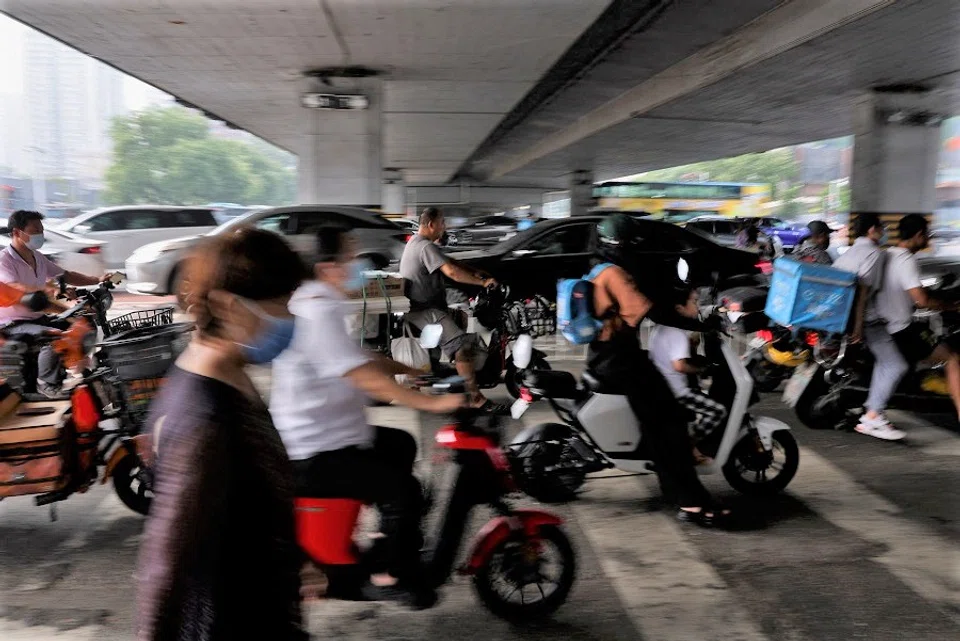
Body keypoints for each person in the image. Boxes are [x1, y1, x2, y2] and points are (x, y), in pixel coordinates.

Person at [271, 226, 463, 608]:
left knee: (401, 444)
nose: (359, 265)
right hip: (313, 453)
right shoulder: (318, 311)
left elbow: (360, 360)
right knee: (403, 491)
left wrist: (410, 370)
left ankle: (384, 538)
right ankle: (387, 576)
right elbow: (364, 378)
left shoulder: (316, 303)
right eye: (351, 256)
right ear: (329, 268)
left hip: (328, 433)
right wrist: (434, 405)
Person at [136, 228, 308, 641]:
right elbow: (167, 562)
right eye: (282, 306)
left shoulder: (216, 373)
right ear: (229, 306)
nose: (290, 319)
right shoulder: (209, 419)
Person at [588, 213, 732, 527]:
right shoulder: (615, 274)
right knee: (671, 424)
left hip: (604, 356)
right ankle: (692, 501)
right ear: (626, 244)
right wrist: (697, 322)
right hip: (621, 360)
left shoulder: (597, 268)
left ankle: (677, 490)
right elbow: (648, 311)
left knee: (660, 424)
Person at [0, 210, 110, 396]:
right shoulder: (4, 260)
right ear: (18, 232)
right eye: (35, 230)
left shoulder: (38, 257)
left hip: (38, 316)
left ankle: (80, 369)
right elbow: (14, 287)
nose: (40, 235)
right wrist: (46, 290)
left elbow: (65, 275)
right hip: (13, 324)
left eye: (41, 230)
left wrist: (97, 279)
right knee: (56, 336)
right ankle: (46, 384)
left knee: (82, 324)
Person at [400, 207, 498, 409]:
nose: (444, 227)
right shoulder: (425, 246)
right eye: (442, 223)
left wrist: (475, 271)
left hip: (423, 309)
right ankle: (475, 397)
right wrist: (482, 284)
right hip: (426, 311)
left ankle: (434, 383)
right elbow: (452, 272)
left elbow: (449, 261)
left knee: (458, 321)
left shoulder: (417, 244)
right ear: (431, 224)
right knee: (461, 346)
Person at [876, 214, 960, 424]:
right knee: (952, 358)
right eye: (927, 235)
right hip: (901, 329)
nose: (928, 239)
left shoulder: (888, 255)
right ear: (918, 235)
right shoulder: (906, 260)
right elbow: (921, 300)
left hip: (884, 325)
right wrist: (950, 306)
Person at [834, 213, 908, 440]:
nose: (884, 231)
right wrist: (859, 326)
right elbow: (863, 293)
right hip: (866, 320)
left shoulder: (849, 252)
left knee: (883, 362)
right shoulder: (873, 253)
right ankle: (873, 417)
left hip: (842, 318)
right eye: (881, 227)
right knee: (895, 365)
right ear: (871, 230)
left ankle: (872, 410)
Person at [649, 287, 728, 465]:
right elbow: (679, 365)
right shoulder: (677, 333)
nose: (697, 306)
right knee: (717, 411)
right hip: (677, 391)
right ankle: (688, 444)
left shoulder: (661, 327)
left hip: (663, 386)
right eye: (694, 302)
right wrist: (701, 370)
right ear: (679, 309)